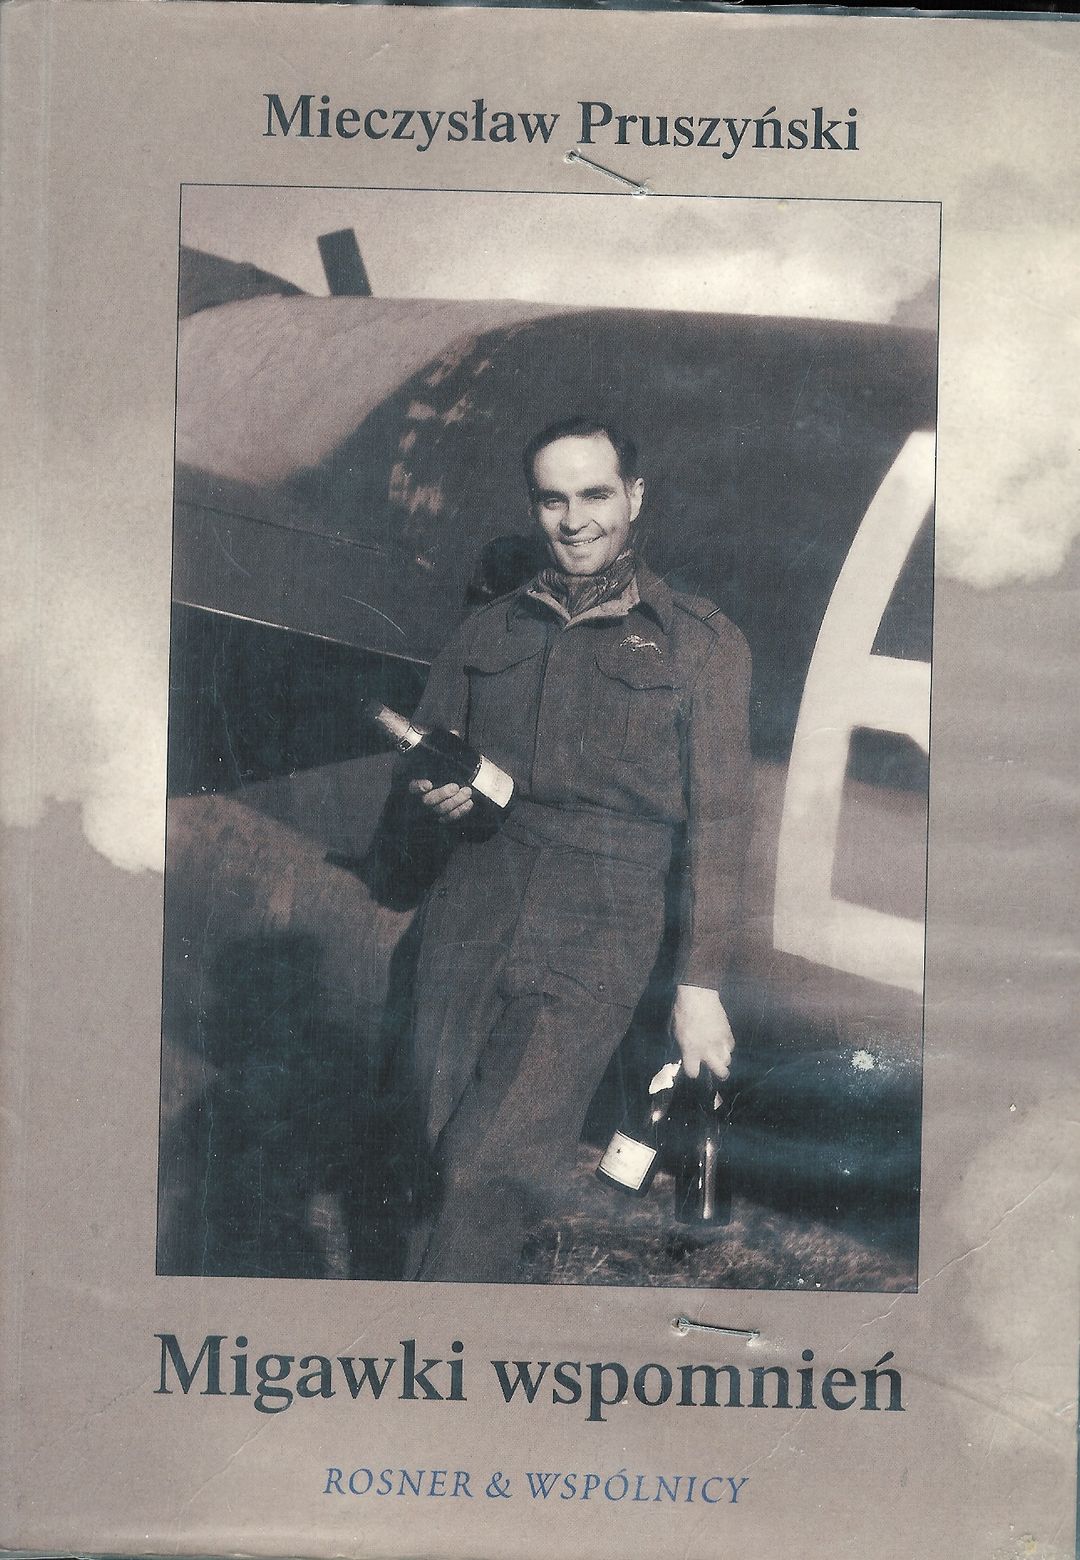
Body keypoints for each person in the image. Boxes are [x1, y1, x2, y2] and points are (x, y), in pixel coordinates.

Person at [401, 415, 753, 1283]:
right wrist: (440, 799)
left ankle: (440, 1342)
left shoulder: (701, 643)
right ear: (534, 507)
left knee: (488, 1167)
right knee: (427, 1155)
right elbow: (429, 765)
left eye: (595, 494)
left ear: (634, 496)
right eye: (553, 500)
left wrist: (699, 984)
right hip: (473, 903)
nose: (574, 520)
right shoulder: (485, 633)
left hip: (603, 922)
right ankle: (418, 1332)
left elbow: (721, 822)